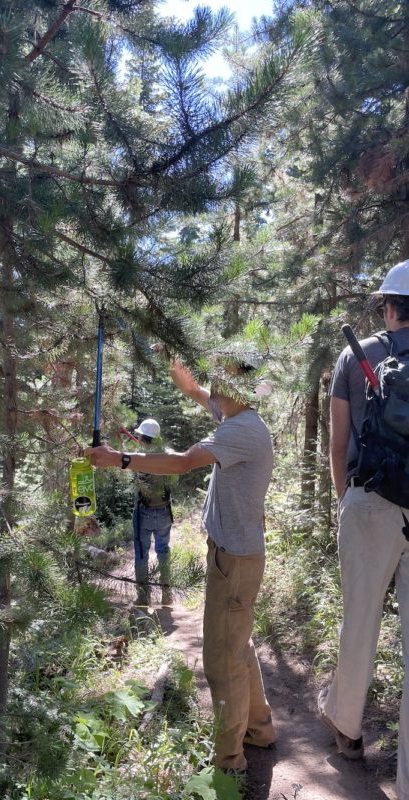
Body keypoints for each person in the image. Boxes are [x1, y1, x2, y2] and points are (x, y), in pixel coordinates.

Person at [86, 359, 276, 774]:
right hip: (235, 553)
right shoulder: (237, 412)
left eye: (217, 383)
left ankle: (229, 765)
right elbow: (198, 393)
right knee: (236, 645)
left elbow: (183, 462)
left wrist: (118, 458)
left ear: (234, 390)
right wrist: (180, 375)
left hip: (235, 558)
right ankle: (259, 729)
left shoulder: (239, 430)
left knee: (222, 659)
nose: (211, 389)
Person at [320, 259, 409, 798]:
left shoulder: (357, 356)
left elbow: (337, 443)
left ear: (387, 304)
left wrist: (345, 501)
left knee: (360, 623)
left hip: (370, 500)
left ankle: (347, 732)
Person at [130, 418, 176, 607]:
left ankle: (143, 596)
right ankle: (167, 594)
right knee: (163, 551)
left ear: (142, 437)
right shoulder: (169, 456)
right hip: (164, 512)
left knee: (142, 553)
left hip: (144, 513)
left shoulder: (138, 458)